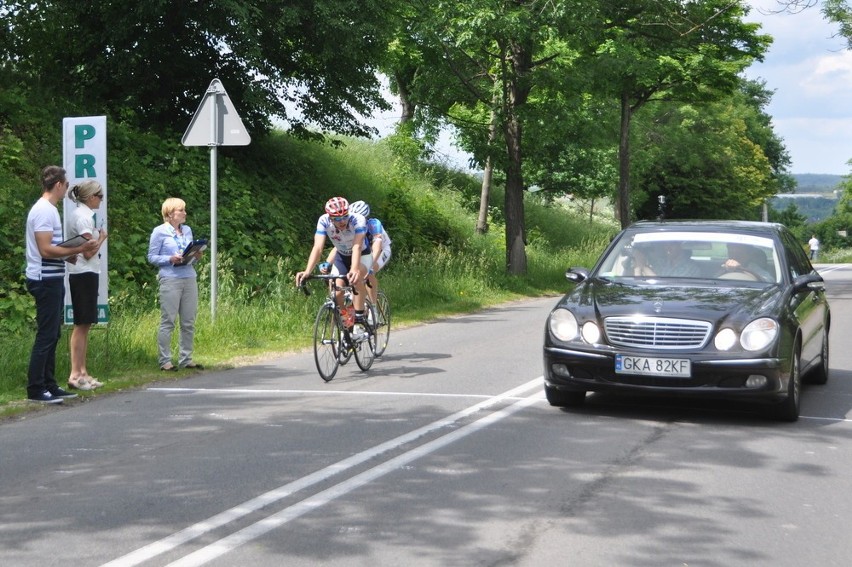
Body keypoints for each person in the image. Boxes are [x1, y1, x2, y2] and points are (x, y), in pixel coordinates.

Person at [25, 165, 98, 404]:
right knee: (46, 335)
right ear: (58, 185)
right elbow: (45, 249)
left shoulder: (50, 210)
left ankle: (49, 384)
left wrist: (67, 254)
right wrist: (78, 248)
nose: (67, 188)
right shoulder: (45, 211)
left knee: (53, 333)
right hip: (44, 279)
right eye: (66, 184)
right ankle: (36, 388)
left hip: (53, 276)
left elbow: (51, 247)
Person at [295, 197, 371, 328]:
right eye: (336, 219)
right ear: (330, 217)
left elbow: (357, 246)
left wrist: (354, 269)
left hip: (362, 255)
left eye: (344, 216)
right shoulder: (323, 221)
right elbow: (318, 247)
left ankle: (359, 319)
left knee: (356, 279)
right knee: (337, 293)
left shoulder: (358, 220)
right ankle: (347, 322)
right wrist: (308, 271)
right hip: (341, 256)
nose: (341, 221)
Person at [147, 197, 204, 371]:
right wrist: (169, 259)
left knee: (188, 321)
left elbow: (189, 255)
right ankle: (165, 361)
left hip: (188, 276)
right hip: (170, 278)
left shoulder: (187, 230)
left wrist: (195, 256)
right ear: (170, 214)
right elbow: (152, 257)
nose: (185, 213)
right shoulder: (159, 231)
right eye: (181, 210)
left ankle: (186, 358)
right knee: (168, 320)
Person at [66, 180, 109, 390]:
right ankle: (75, 374)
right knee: (81, 324)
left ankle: (83, 371)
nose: (101, 200)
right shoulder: (84, 218)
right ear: (91, 197)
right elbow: (88, 251)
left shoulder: (83, 215)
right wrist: (101, 238)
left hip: (86, 272)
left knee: (85, 324)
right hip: (83, 272)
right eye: (100, 196)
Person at [323, 200, 391, 306]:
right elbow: (338, 247)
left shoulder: (373, 225)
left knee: (369, 273)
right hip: (362, 250)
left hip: (381, 250)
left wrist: (369, 267)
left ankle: (373, 307)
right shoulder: (350, 225)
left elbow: (377, 248)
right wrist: (327, 262)